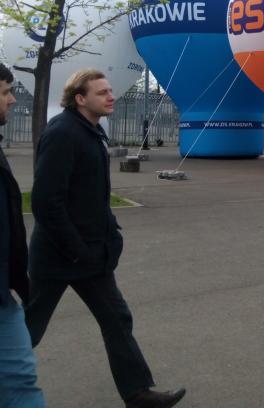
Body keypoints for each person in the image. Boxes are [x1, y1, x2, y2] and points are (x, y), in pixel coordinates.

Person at [25, 69, 185, 408]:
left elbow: (93, 194)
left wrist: (110, 233)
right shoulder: (63, 133)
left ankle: (138, 394)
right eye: (102, 93)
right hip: (57, 256)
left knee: (117, 318)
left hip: (90, 256)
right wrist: (76, 249)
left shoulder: (91, 131)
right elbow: (46, 201)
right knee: (28, 328)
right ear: (80, 99)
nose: (111, 96)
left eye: (110, 91)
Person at [0, 64, 46, 407]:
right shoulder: (64, 135)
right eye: (5, 92)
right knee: (19, 380)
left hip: (5, 291)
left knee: (20, 378)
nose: (13, 99)